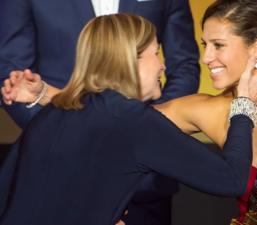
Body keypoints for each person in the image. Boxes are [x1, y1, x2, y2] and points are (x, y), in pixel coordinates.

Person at [2, 0, 257, 224]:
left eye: (218, 46)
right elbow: (109, 118)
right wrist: (46, 94)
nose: (205, 59)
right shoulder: (205, 110)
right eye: (203, 45)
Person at [0, 13, 257, 225]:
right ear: (132, 60)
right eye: (155, 53)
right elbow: (231, 180)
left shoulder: (50, 115)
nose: (162, 64)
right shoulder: (132, 121)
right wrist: (245, 104)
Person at [0, 0, 200, 223]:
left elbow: (184, 66)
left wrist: (144, 130)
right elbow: (12, 76)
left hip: (143, 180)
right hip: (57, 175)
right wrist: (66, 144)